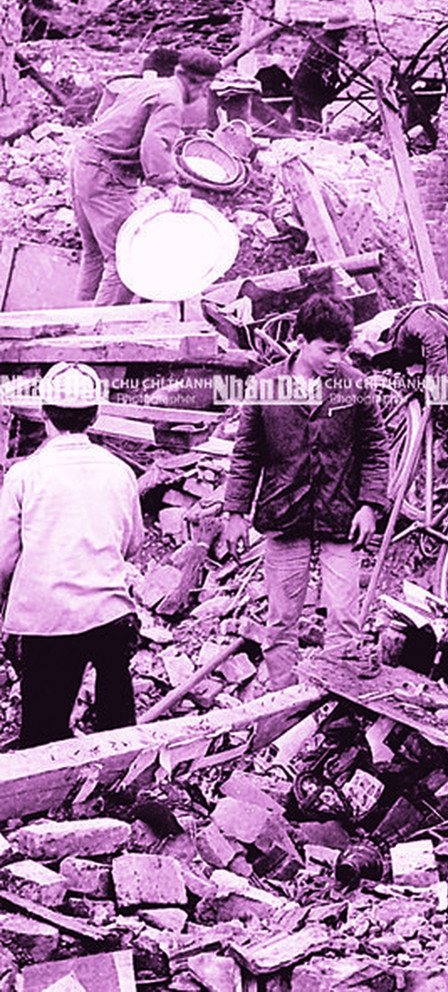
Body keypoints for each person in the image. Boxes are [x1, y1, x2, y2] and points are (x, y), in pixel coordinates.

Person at [222, 294, 389, 689]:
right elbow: (247, 452)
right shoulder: (266, 386)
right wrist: (234, 513)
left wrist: (369, 505)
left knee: (345, 619)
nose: (336, 360)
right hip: (284, 514)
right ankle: (280, 705)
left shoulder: (355, 386)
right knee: (281, 620)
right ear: (300, 341)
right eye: (327, 350)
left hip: (343, 516)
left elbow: (376, 449)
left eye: (342, 351)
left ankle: (335, 709)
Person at [0, 363, 144, 748]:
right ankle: (121, 781)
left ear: (44, 414)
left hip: (45, 621)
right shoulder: (120, 472)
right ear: (95, 415)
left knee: (41, 735)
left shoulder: (25, 476)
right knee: (118, 726)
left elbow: (4, 559)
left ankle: (42, 798)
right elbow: (132, 545)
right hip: (109, 616)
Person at [71, 46, 221, 306]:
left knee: (95, 252)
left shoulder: (148, 85)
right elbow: (154, 142)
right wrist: (169, 186)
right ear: (204, 86)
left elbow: (105, 113)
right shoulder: (172, 101)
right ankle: (100, 333)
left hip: (83, 160)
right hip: (104, 173)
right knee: (125, 260)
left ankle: (79, 318)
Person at [290, 14, 350, 130]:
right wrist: (332, 88)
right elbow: (327, 71)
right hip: (310, 89)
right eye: (345, 30)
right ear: (338, 31)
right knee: (313, 125)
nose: (347, 33)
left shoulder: (321, 40)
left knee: (297, 124)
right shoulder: (329, 46)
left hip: (300, 84)